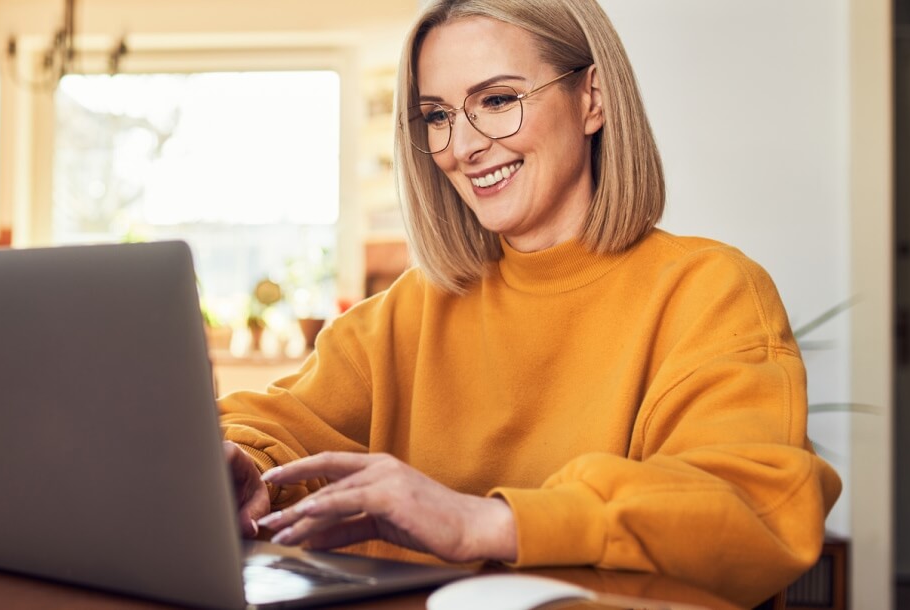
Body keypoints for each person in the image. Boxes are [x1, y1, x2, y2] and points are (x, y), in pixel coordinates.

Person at [217, 0, 842, 606]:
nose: (462, 147)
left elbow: (750, 507)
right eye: (438, 115)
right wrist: (241, 462)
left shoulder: (709, 292)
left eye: (496, 101)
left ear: (591, 98)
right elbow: (275, 423)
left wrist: (485, 524)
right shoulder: (412, 309)